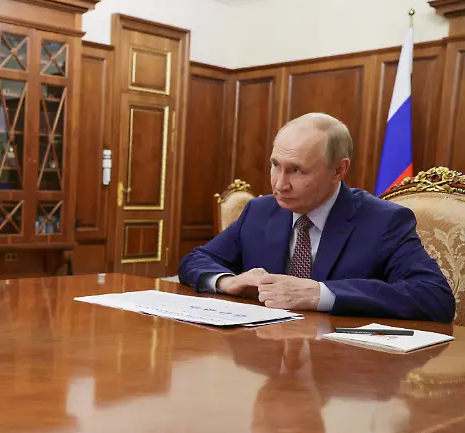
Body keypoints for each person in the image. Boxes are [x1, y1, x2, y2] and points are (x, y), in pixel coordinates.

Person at [178, 112, 455, 323]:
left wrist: (321, 295)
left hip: (345, 377)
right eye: (276, 165)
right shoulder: (260, 210)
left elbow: (434, 297)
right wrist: (229, 282)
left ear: (338, 170)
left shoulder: (384, 221)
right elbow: (195, 260)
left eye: (297, 170)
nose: (279, 184)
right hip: (266, 358)